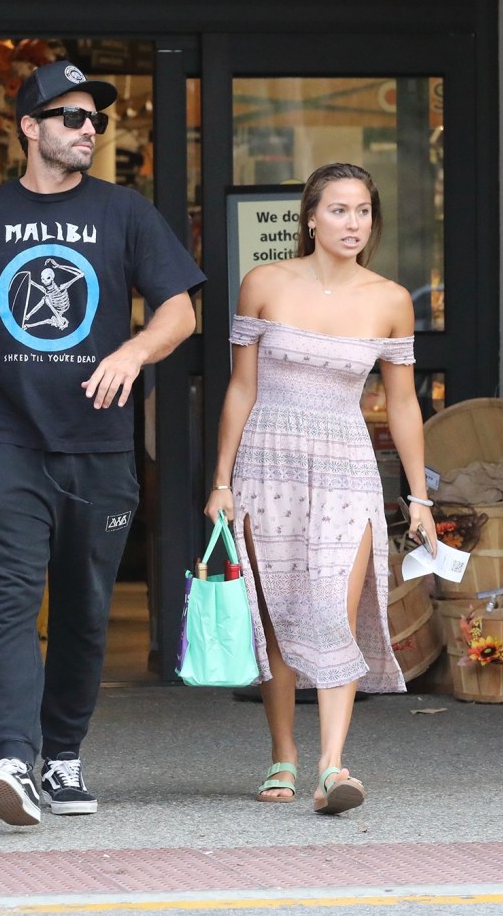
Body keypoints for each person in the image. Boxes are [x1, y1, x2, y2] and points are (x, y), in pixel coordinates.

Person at [0, 60, 205, 827]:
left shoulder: (124, 212)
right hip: (5, 443)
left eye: (94, 118)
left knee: (85, 609)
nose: (88, 129)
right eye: (70, 117)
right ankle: (13, 757)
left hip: (98, 448)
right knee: (12, 597)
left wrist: (134, 351)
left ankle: (61, 758)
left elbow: (181, 311)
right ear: (30, 128)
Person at [205, 162, 436, 815]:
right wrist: (221, 480)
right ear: (309, 216)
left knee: (335, 611)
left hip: (346, 466)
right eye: (338, 210)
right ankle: (284, 752)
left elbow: (403, 404)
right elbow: (240, 387)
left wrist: (418, 496)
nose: (352, 223)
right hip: (266, 462)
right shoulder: (263, 283)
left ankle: (334, 766)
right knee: (279, 615)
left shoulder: (391, 298)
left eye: (362, 211)